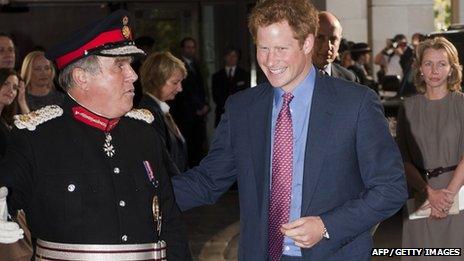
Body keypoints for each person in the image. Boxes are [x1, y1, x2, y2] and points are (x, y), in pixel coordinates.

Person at [172, 0, 407, 260]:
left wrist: (327, 226)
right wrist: (143, 196)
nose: (270, 61)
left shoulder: (356, 104)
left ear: (307, 43)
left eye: (281, 49)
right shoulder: (242, 108)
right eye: (263, 48)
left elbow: (391, 188)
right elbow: (207, 180)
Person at [0, 10, 191, 261]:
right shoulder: (37, 138)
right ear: (82, 78)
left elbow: (171, 224)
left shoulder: (144, 134)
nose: (133, 75)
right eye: (119, 66)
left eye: (130, 66)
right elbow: (7, 198)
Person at [396, 37, 464, 260]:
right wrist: (429, 194)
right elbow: (403, 159)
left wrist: (447, 197)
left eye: (441, 64)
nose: (434, 70)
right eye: (428, 63)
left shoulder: (461, 104)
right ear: (419, 68)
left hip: (458, 195)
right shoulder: (407, 108)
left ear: (452, 69)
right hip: (420, 195)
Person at [138, 51, 189, 172]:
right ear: (156, 80)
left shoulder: (159, 109)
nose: (180, 88)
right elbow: (161, 162)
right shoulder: (148, 114)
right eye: (175, 82)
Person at [170, 37, 209, 167]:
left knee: (198, 148)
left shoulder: (197, 65)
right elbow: (183, 92)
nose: (191, 50)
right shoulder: (177, 66)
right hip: (185, 115)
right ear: (182, 49)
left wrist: (205, 105)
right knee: (187, 150)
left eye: (193, 47)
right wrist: (196, 107)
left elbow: (202, 88)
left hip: (199, 116)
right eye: (188, 47)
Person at [312, 11, 357, 82]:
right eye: (320, 38)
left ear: (339, 42)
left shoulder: (349, 79)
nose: (327, 47)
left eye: (333, 39)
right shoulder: (290, 77)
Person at [212, 47, 250, 126]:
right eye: (229, 55)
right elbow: (216, 96)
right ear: (225, 57)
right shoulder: (217, 76)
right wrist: (226, 107)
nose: (231, 58)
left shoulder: (245, 75)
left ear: (238, 58)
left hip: (239, 113)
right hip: (222, 114)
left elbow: (246, 94)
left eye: (234, 56)